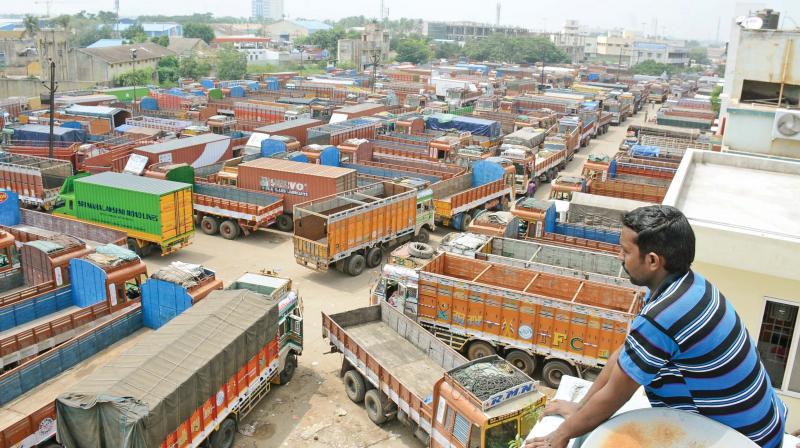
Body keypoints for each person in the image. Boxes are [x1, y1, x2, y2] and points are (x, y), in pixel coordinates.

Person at [527, 205, 787, 448]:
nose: (620, 257)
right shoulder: (690, 286)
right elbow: (624, 358)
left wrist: (559, 435)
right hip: (765, 424)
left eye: (626, 252)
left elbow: (615, 396)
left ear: (652, 261)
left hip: (747, 440)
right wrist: (580, 407)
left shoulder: (662, 317)